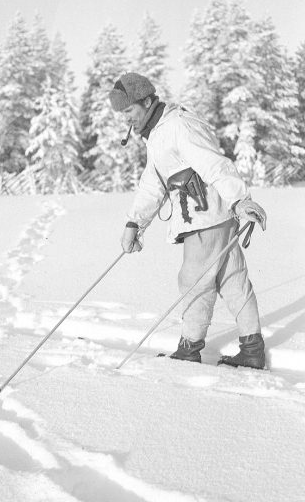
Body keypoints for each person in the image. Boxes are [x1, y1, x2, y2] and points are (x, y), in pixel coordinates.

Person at [108, 72, 267, 369]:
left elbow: (213, 163)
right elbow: (152, 184)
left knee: (193, 281)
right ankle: (252, 349)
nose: (126, 119)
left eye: (129, 110)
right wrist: (134, 224)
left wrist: (240, 198)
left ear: (147, 101)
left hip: (204, 218)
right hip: (214, 217)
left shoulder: (178, 125)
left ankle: (189, 348)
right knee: (232, 280)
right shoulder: (158, 134)